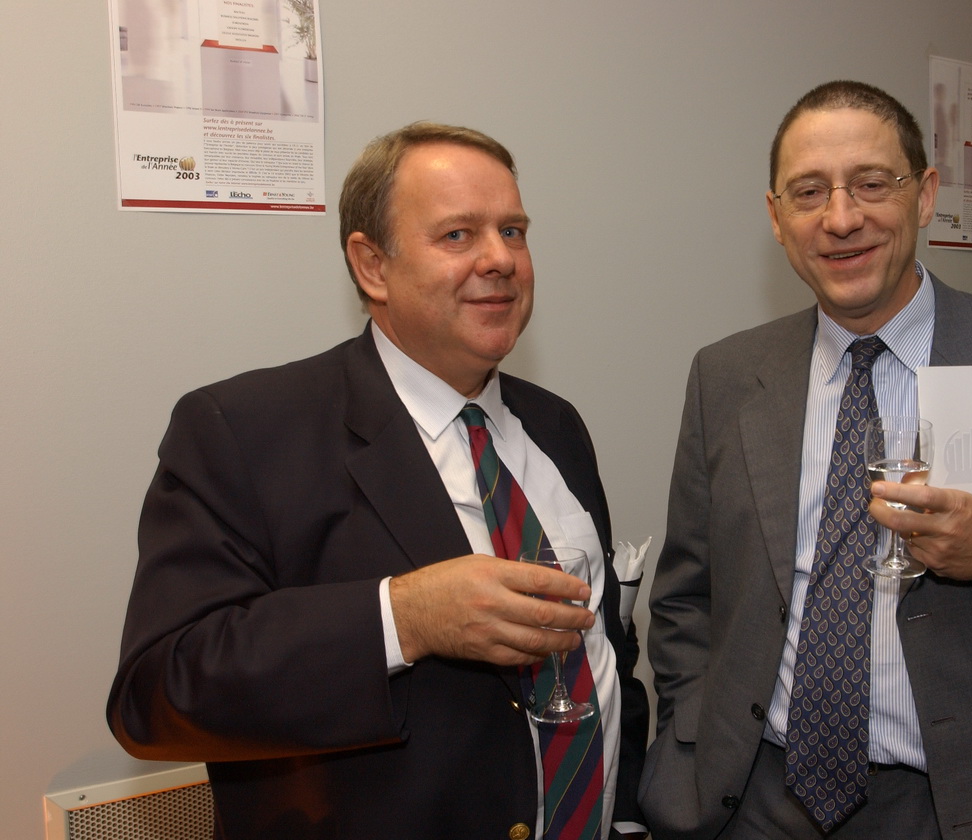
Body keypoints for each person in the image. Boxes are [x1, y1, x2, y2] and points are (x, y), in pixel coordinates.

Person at [638, 81, 972, 840]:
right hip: (752, 802)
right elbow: (685, 598)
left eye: (871, 183)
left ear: (924, 196)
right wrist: (690, 738)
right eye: (809, 192)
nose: (841, 218)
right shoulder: (725, 377)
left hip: (959, 812)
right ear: (777, 217)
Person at [107, 121, 649, 840]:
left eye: (513, 231)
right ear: (372, 266)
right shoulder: (244, 431)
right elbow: (157, 692)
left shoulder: (556, 425)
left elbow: (604, 652)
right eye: (458, 235)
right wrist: (404, 617)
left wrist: (627, 810)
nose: (500, 259)